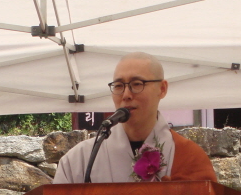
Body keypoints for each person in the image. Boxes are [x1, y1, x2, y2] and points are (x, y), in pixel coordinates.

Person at [53, 52, 217, 184]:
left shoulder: (189, 158)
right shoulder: (79, 160)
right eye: (119, 86)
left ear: (162, 89)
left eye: (137, 84)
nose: (126, 95)